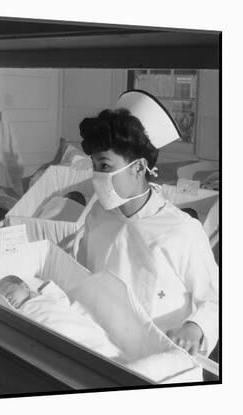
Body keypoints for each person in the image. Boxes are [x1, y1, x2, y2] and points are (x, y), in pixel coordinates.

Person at [75, 90, 218, 363]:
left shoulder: (181, 230)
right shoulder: (98, 215)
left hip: (158, 358)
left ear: (139, 168)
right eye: (93, 165)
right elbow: (83, 275)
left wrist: (194, 327)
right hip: (101, 346)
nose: (97, 176)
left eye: (104, 166)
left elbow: (216, 299)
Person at [0, 276, 121, 358]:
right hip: (55, 339)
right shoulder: (17, 312)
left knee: (97, 341)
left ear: (25, 286)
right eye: (3, 297)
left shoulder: (46, 297)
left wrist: (47, 286)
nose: (7, 298)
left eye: (9, 291)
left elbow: (62, 298)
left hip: (74, 327)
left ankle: (110, 354)